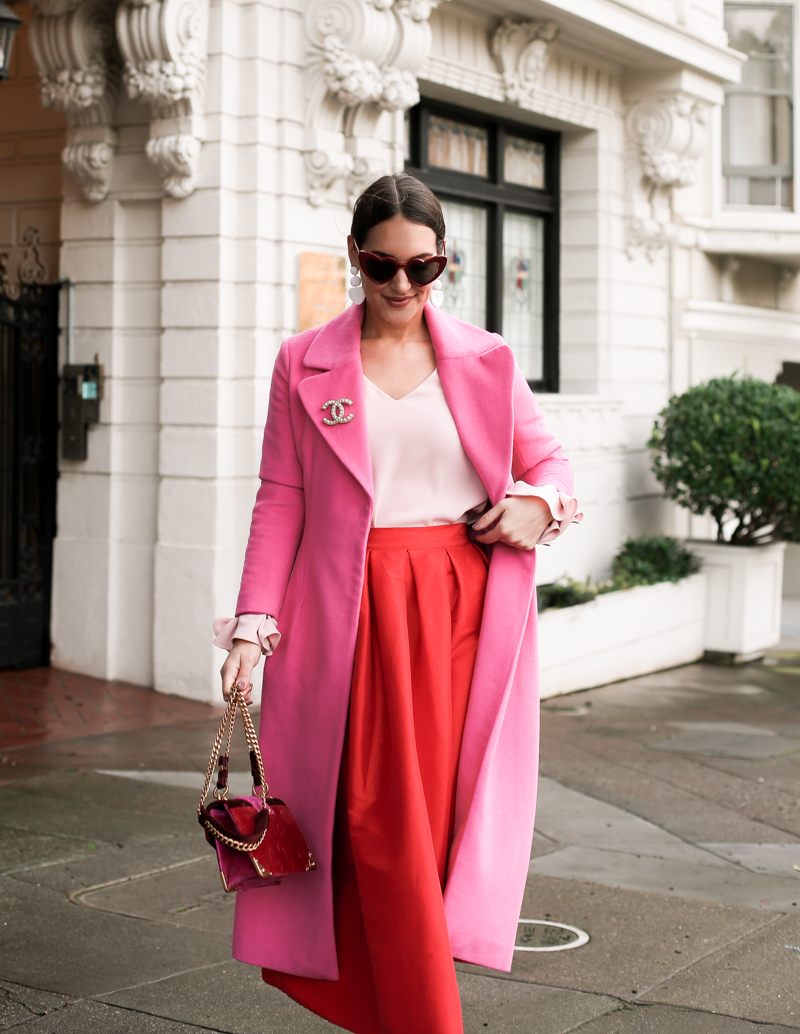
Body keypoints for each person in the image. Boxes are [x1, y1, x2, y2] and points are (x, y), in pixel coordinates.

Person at [213, 173, 581, 1034]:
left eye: (426, 267)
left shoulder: (487, 359)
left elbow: (555, 468)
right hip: (350, 612)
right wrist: (253, 625)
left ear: (444, 262)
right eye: (384, 266)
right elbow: (281, 498)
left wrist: (538, 505)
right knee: (373, 816)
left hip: (458, 613)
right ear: (355, 256)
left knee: (433, 818)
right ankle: (420, 1016)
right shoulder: (301, 360)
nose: (404, 287)